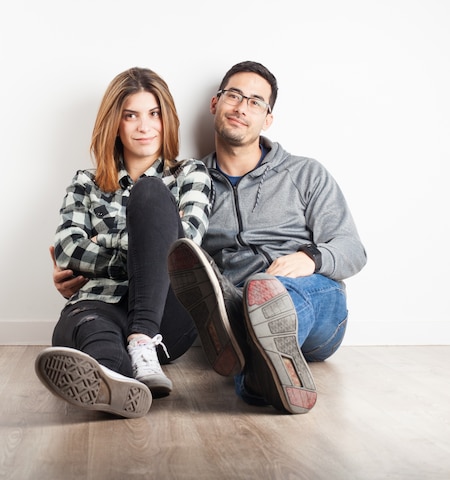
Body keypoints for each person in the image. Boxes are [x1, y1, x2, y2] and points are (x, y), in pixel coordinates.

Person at [54, 61, 367, 416]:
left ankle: (266, 339)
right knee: (241, 327)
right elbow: (170, 256)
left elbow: (352, 249)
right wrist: (123, 259)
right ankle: (255, 373)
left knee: (274, 296)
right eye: (234, 95)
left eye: (255, 101)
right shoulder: (199, 177)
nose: (241, 107)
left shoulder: (304, 174)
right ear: (215, 104)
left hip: (310, 295)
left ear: (268, 118)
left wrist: (309, 257)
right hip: (234, 308)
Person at [36, 67, 212, 419]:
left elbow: (184, 245)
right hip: (98, 302)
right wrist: (143, 253)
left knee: (149, 192)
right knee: (91, 325)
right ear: (115, 122)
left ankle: (142, 341)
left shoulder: (189, 174)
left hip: (166, 312)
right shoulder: (85, 182)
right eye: (130, 116)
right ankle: (113, 383)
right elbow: (69, 248)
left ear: (167, 119)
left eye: (153, 114)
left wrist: (105, 243)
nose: (144, 127)